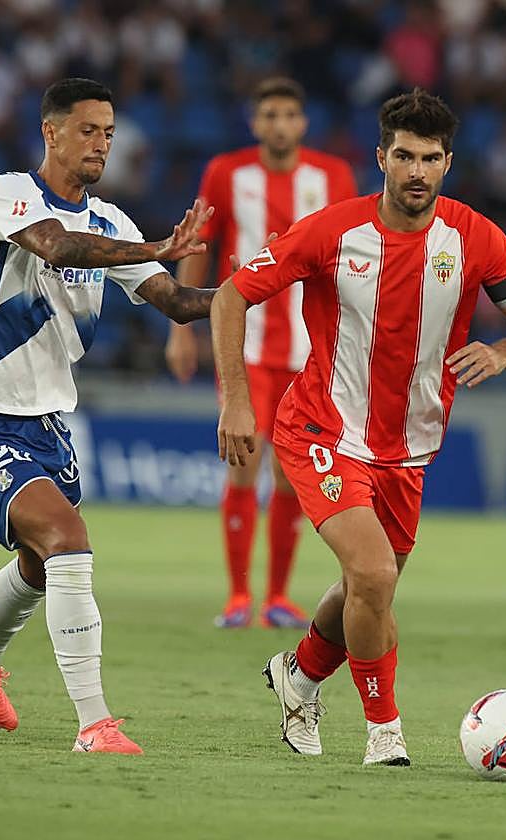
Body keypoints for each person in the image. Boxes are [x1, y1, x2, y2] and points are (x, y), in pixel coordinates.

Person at [211, 89, 506, 766]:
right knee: (372, 574)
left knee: (367, 588)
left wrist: (501, 352)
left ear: (448, 163)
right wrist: (235, 399)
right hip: (321, 430)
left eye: (430, 157)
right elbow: (232, 295)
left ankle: (301, 675)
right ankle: (385, 733)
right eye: (404, 155)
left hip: (408, 449)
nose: (417, 171)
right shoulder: (330, 233)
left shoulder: (475, 239)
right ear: (381, 158)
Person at [0, 78, 216, 755]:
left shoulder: (114, 225)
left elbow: (176, 303)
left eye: (110, 133)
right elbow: (58, 247)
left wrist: (267, 286)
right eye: (88, 130)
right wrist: (156, 247)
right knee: (67, 540)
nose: (101, 144)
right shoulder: (10, 194)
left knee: (40, 566)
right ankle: (95, 724)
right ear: (52, 133)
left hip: (50, 427)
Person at [164, 78, 357, 630]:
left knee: (294, 475)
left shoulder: (334, 178)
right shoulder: (227, 173)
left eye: (289, 114)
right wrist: (181, 328)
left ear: (303, 123)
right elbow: (200, 245)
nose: (279, 124)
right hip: (246, 348)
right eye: (269, 114)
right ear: (255, 122)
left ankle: (277, 597)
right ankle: (238, 596)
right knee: (245, 465)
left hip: (310, 349)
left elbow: (353, 250)